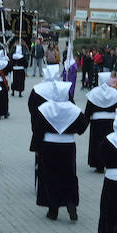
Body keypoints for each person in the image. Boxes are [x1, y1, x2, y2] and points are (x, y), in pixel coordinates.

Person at [34, 81, 90, 221]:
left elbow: (38, 130)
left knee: (50, 176)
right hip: (68, 146)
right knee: (69, 175)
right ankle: (71, 203)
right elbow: (82, 127)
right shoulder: (73, 110)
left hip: (49, 146)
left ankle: (53, 209)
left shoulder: (44, 109)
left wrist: (36, 147)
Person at [85, 72, 117, 172]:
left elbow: (89, 107)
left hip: (97, 122)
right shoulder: (114, 93)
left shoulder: (94, 92)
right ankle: (110, 162)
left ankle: (98, 164)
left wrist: (85, 120)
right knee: (109, 142)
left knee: (97, 142)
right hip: (110, 121)